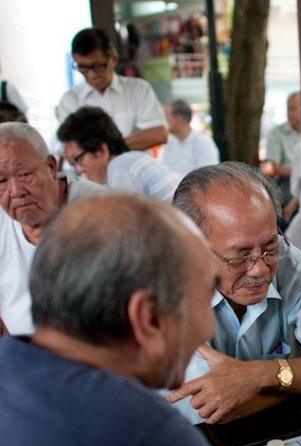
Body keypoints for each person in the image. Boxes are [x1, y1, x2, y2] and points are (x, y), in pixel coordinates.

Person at [0, 194, 279, 446]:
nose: (208, 323)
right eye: (205, 296)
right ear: (147, 318)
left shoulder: (11, 361)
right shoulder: (139, 431)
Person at [167, 162, 301, 424]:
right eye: (240, 255)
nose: (260, 268)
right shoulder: (163, 291)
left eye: (270, 246)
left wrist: (259, 376)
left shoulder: (291, 264)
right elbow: (213, 411)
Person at [0, 122, 102, 336]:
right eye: (1, 181)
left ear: (51, 167)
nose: (16, 191)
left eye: (25, 174)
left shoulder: (103, 211)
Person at [58, 28, 167, 151]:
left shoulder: (139, 90)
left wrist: (106, 150)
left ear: (113, 58)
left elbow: (159, 134)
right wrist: (127, 144)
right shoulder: (70, 100)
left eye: (98, 66)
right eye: (82, 68)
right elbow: (70, 151)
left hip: (131, 169)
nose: (92, 75)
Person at [57, 106, 179, 202]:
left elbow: (130, 227)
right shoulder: (129, 160)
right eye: (73, 164)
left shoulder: (120, 169)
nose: (78, 170)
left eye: (78, 159)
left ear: (101, 150)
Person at [263, 91, 301, 215]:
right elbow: (274, 167)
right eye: (288, 108)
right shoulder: (276, 133)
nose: (289, 112)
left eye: (293, 108)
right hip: (287, 186)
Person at [161, 99, 220, 174]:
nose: (162, 122)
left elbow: (208, 177)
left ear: (178, 119)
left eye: (165, 116)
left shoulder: (203, 143)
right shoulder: (170, 143)